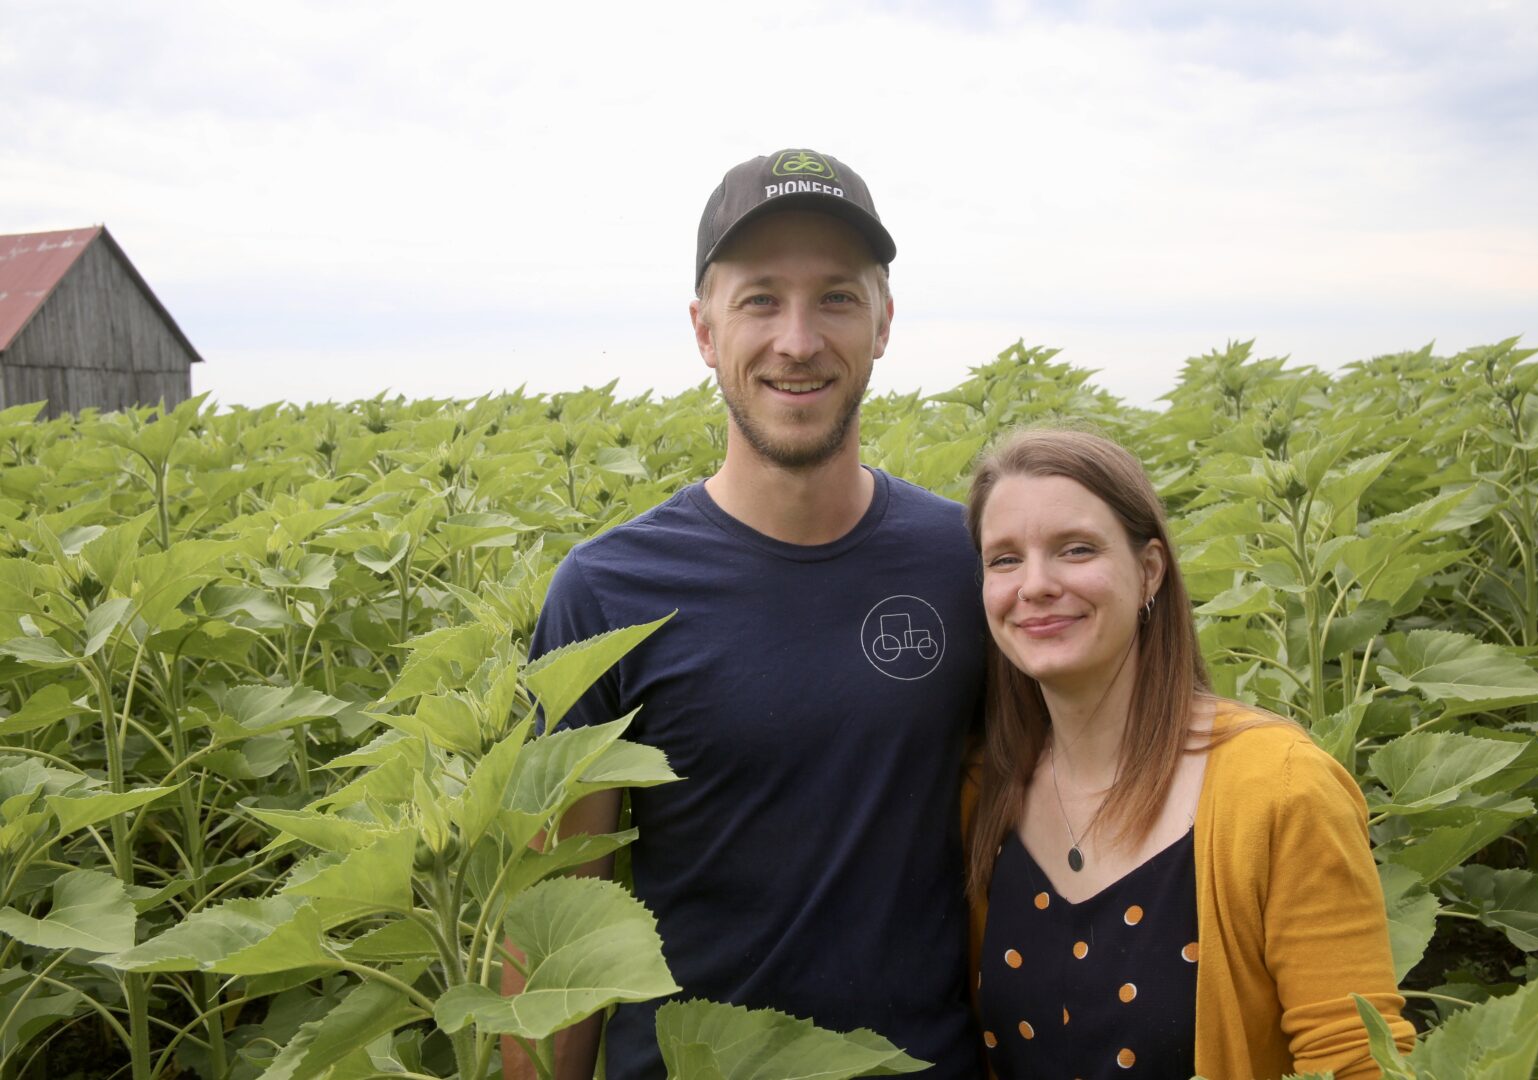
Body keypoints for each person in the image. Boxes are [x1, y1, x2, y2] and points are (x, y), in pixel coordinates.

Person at [504, 149, 986, 1080]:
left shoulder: (966, 560)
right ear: (703, 328)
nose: (797, 340)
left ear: (885, 322)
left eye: (837, 298)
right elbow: (558, 925)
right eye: (760, 298)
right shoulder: (607, 594)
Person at [962, 428, 1415, 1080]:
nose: (1034, 584)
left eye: (1076, 549)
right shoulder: (984, 792)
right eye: (1004, 559)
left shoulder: (1280, 790)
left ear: (1149, 570)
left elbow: (1357, 1060)